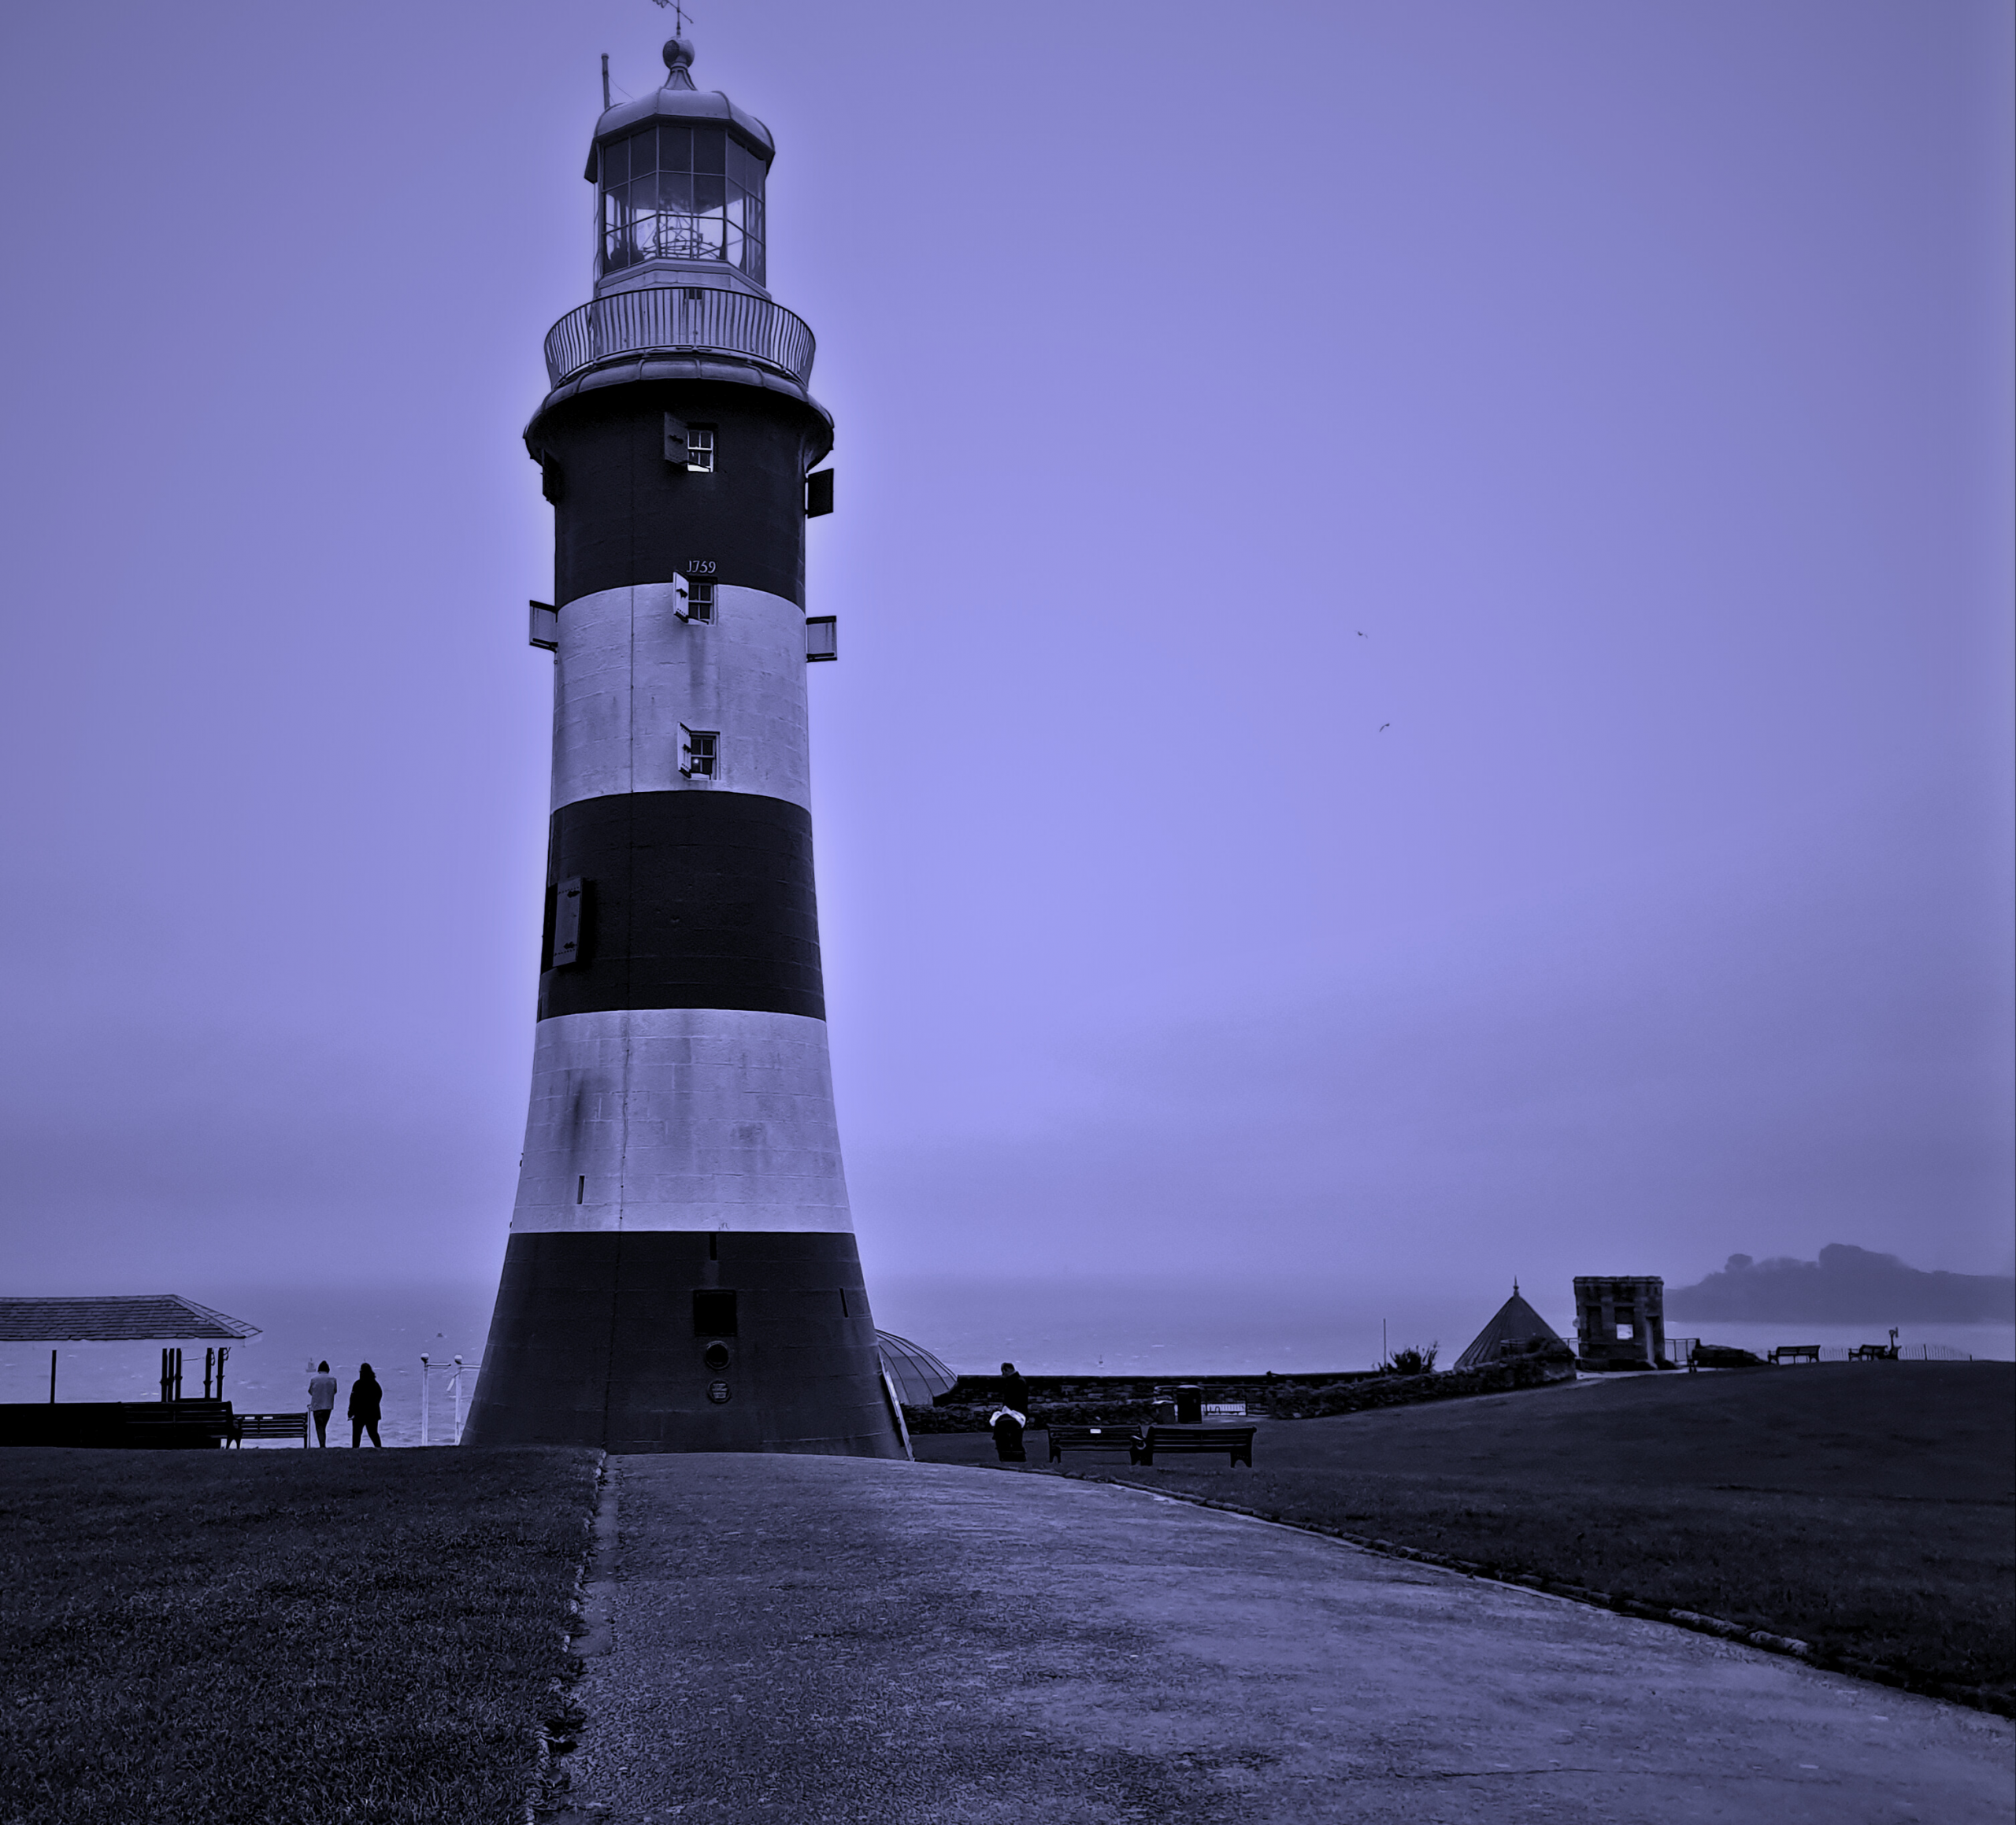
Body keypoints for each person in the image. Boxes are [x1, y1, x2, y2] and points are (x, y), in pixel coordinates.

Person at [348, 1362, 384, 1448]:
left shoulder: (357, 1384)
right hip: (373, 1413)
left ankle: (355, 1449)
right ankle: (378, 1448)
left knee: (356, 1434)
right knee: (373, 1433)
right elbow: (379, 1396)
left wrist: (350, 1411)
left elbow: (353, 1399)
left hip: (359, 1413)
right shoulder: (375, 1384)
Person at [307, 1361, 338, 1447]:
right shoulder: (333, 1379)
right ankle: (323, 1443)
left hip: (317, 1406)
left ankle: (322, 1444)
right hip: (328, 1406)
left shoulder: (314, 1379)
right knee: (324, 1425)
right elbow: (335, 1391)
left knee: (319, 1426)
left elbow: (310, 1391)